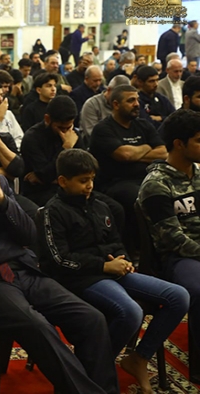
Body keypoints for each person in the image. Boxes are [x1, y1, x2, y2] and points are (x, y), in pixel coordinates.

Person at [0, 130, 120, 394]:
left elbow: (28, 234)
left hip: (22, 271)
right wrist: (15, 245)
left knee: (91, 318)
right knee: (39, 328)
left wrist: (2, 200)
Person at [40, 148, 188, 394]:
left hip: (113, 271)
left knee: (179, 296)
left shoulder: (101, 205)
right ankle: (92, 367)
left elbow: (116, 241)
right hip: (82, 278)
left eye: (91, 179)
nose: (89, 186)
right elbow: (59, 260)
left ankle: (138, 357)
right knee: (131, 311)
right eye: (83, 181)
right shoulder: (52, 211)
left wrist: (124, 261)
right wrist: (103, 265)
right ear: (63, 181)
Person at [138, 108, 200, 383]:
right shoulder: (156, 184)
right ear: (179, 144)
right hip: (177, 258)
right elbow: (172, 239)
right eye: (199, 140)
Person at [89, 84, 167, 256]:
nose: (137, 104)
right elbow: (124, 155)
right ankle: (141, 250)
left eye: (137, 100)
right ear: (116, 104)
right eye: (131, 101)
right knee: (140, 198)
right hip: (116, 183)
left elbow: (163, 152)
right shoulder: (103, 129)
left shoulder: (143, 125)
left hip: (148, 177)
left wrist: (135, 153)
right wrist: (147, 147)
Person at [21, 96, 85, 205]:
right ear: (47, 119)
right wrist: (66, 148)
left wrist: (53, 179)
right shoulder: (32, 138)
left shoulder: (73, 134)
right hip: (41, 193)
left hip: (73, 188)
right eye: (60, 128)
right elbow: (45, 176)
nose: (65, 133)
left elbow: (84, 168)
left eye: (69, 127)